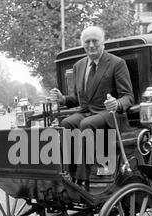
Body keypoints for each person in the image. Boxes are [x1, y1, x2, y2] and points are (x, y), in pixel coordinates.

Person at [50, 26, 134, 189]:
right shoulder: (79, 66)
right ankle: (68, 173)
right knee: (66, 123)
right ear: (83, 44)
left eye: (95, 41)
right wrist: (62, 99)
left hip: (109, 114)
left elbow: (128, 96)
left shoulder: (116, 63)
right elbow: (80, 99)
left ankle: (83, 179)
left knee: (86, 124)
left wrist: (117, 104)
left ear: (103, 42)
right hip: (86, 112)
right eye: (87, 42)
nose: (91, 45)